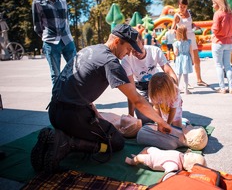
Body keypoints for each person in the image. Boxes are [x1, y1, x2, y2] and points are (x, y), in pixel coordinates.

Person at [31, 24, 172, 173]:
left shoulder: (90, 49)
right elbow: (136, 99)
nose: (128, 54)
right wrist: (161, 122)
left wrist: (92, 110)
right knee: (116, 142)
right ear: (117, 41)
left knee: (99, 125)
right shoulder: (110, 62)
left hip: (54, 110)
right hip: (71, 116)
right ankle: (67, 142)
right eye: (128, 49)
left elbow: (76, 84)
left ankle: (62, 137)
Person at [121, 34, 178, 124]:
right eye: (133, 51)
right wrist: (131, 116)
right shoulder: (126, 60)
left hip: (157, 85)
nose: (137, 53)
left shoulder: (155, 51)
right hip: (140, 87)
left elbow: (169, 72)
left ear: (143, 43)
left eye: (139, 49)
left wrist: (174, 89)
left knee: (166, 116)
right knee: (145, 119)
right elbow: (130, 89)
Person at [32, 0, 77, 85]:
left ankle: (79, 98)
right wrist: (47, 36)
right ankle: (57, 99)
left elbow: (67, 20)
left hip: (67, 41)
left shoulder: (63, 1)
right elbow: (37, 26)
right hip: (51, 42)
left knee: (76, 71)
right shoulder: (37, 2)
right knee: (55, 75)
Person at [171, 0, 208, 87]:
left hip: (192, 37)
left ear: (187, 6)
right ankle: (185, 83)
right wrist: (178, 33)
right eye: (180, 6)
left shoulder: (189, 13)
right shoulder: (177, 15)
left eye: (184, 6)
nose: (182, 8)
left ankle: (199, 80)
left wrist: (195, 25)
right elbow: (172, 29)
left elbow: (190, 23)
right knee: (184, 61)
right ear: (178, 5)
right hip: (183, 40)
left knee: (197, 60)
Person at [211, 0, 232, 94]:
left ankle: (222, 88)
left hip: (218, 42)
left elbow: (216, 29)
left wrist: (212, 31)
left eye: (213, 3)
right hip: (228, 42)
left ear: (218, 3)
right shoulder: (230, 14)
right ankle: (231, 87)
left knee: (218, 65)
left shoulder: (218, 14)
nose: (213, 5)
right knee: (228, 66)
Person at [125, 147, 207, 173]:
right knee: (147, 148)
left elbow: (168, 172)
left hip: (153, 160)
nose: (191, 154)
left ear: (189, 168)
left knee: (139, 158)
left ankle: (132, 162)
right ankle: (138, 155)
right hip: (158, 152)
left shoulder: (174, 165)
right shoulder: (182, 156)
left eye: (192, 157)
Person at [137, 123, 208, 150]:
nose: (190, 126)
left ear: (189, 139)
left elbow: (143, 134)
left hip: (141, 132)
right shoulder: (181, 130)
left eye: (192, 129)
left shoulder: (171, 144)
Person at [173, 25, 194, 94]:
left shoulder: (176, 43)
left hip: (179, 59)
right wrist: (192, 60)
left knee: (179, 75)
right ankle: (186, 90)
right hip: (187, 58)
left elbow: (175, 53)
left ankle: (176, 90)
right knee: (186, 75)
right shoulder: (189, 42)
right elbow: (191, 51)